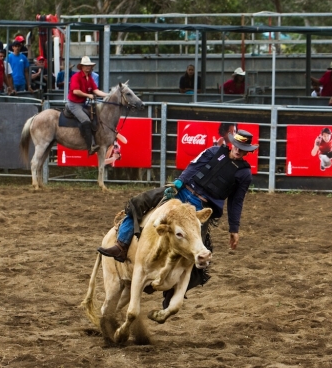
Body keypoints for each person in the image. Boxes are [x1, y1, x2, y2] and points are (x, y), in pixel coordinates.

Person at [98, 129, 259, 263]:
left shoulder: (244, 173)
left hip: (201, 205)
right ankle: (121, 245)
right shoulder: (214, 151)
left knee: (197, 251)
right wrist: (179, 183)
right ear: (232, 144)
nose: (238, 150)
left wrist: (234, 228)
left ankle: (177, 287)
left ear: (247, 151)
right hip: (182, 191)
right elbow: (194, 166)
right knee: (139, 202)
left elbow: (236, 202)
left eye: (242, 148)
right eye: (236, 146)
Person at [67, 56, 109, 155]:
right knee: (86, 121)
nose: (88, 67)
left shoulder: (89, 78)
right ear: (82, 67)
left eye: (89, 66)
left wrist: (109, 95)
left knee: (95, 117)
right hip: (74, 104)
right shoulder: (76, 77)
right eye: (86, 66)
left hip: (82, 104)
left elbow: (96, 90)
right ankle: (90, 145)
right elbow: (76, 91)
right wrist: (88, 95)